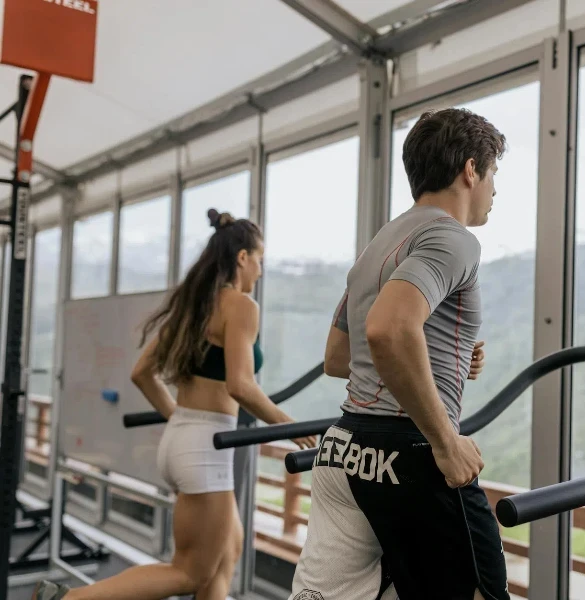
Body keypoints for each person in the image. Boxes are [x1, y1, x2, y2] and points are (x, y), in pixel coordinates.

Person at [32, 210, 316, 600]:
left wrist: (179, 420)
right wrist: (291, 426)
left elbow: (141, 373)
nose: (261, 272)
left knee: (228, 552)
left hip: (185, 438)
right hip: (205, 447)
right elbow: (240, 385)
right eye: (261, 261)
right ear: (243, 258)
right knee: (188, 574)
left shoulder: (192, 307)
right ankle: (66, 599)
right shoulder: (241, 306)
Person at [289, 107, 508, 600]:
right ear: (470, 170)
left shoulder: (381, 242)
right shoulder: (453, 237)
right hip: (406, 453)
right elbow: (388, 330)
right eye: (493, 173)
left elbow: (340, 357)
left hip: (344, 448)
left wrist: (442, 356)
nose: (495, 189)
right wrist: (446, 443)